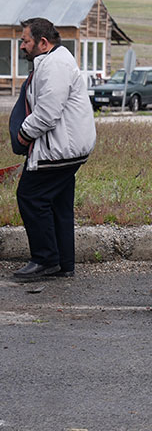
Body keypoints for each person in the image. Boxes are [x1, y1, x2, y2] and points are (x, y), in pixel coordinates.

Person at [10, 18, 97, 281]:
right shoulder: (54, 61)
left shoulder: (55, 65)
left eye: (26, 41)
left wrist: (23, 135)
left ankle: (45, 259)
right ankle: (64, 263)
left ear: (43, 42)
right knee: (58, 203)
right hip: (67, 148)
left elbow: (48, 113)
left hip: (58, 150)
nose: (22, 46)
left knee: (30, 197)